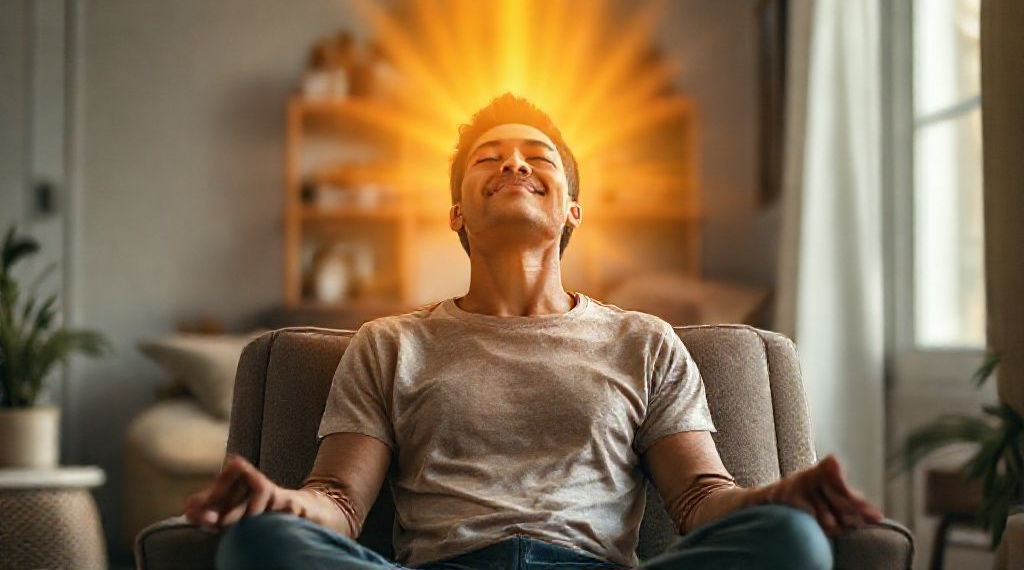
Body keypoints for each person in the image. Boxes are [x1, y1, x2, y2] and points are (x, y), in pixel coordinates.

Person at [186, 94, 883, 570]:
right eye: (488, 159)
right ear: (456, 213)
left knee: (791, 541)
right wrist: (285, 505)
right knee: (261, 547)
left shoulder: (643, 340)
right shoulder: (391, 343)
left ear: (573, 210)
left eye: (537, 157)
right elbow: (338, 500)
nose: (514, 163)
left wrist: (775, 497)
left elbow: (702, 498)